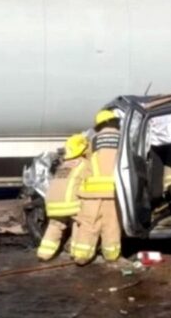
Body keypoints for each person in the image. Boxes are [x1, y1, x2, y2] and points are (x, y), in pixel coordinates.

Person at [70, 110, 123, 265]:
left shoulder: (91, 140)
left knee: (88, 224)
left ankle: (81, 255)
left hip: (91, 192)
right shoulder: (124, 139)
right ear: (115, 122)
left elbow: (84, 162)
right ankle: (111, 255)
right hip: (114, 191)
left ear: (99, 125)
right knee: (111, 225)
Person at [36, 133, 90, 261]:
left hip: (52, 203)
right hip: (69, 203)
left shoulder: (64, 165)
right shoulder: (85, 164)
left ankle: (44, 254)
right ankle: (76, 253)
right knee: (79, 223)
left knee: (55, 225)